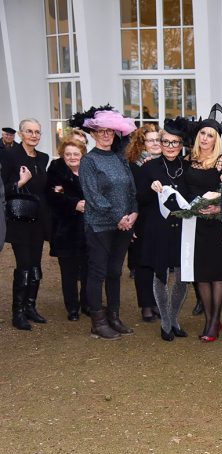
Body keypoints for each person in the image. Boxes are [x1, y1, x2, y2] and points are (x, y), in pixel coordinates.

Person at [74, 107, 138, 340]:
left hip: (123, 225)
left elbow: (132, 190)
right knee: (98, 272)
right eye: (100, 131)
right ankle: (97, 322)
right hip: (100, 225)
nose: (105, 135)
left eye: (109, 131)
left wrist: (134, 214)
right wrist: (117, 218)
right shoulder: (89, 161)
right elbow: (93, 196)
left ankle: (114, 316)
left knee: (114, 272)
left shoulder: (120, 158)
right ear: (92, 133)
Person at [185, 104, 222, 342]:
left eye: (210, 135)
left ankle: (214, 322)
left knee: (216, 275)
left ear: (217, 140)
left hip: (214, 224)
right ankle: (209, 318)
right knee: (200, 275)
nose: (205, 138)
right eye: (203, 134)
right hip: (192, 225)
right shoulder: (189, 159)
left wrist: (221, 206)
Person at [143, 118, 192, 341]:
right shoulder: (150, 167)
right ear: (160, 143)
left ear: (181, 145)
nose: (170, 147)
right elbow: (139, 199)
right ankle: (164, 322)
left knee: (183, 277)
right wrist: (150, 189)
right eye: (166, 142)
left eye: (175, 143)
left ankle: (173, 319)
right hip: (159, 228)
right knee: (160, 275)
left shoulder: (189, 168)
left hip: (184, 228)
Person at [1, 118, 51, 330]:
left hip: (39, 220)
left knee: (35, 264)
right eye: (29, 131)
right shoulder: (10, 156)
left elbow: (43, 188)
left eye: (37, 132)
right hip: (20, 219)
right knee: (24, 264)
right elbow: (3, 188)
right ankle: (18, 312)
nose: (34, 135)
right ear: (21, 134)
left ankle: (31, 306)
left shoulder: (43, 158)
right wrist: (19, 183)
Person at [46, 139, 89, 321]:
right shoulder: (56, 173)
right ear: (63, 156)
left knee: (88, 269)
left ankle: (87, 303)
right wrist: (74, 204)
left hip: (89, 230)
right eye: (68, 154)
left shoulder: (89, 172)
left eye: (76, 154)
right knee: (69, 272)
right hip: (66, 230)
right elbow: (51, 197)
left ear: (82, 155)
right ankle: (72, 307)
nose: (72, 157)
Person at [125, 124, 162, 322]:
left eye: (158, 140)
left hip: (163, 220)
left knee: (159, 265)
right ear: (142, 143)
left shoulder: (167, 162)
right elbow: (133, 195)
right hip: (141, 219)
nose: (155, 143)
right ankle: (146, 305)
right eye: (151, 140)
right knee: (143, 264)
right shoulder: (133, 165)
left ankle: (157, 302)